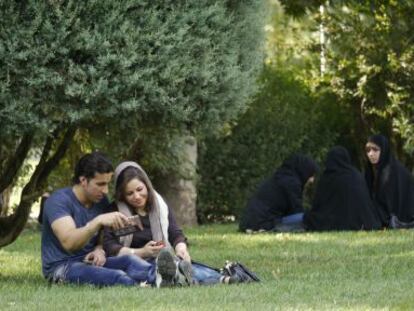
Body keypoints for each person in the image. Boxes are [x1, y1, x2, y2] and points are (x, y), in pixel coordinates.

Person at [103, 161, 238, 286]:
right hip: (134, 262)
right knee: (161, 268)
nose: (137, 196)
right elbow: (110, 246)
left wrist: (181, 248)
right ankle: (217, 279)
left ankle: (216, 278)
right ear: (122, 195)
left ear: (147, 186)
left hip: (161, 259)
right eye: (130, 193)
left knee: (181, 265)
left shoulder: (159, 206)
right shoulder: (115, 212)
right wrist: (142, 252)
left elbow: (174, 232)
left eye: (139, 189)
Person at [41, 151, 164, 286]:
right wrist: (97, 221)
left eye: (107, 184)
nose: (105, 191)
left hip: (91, 261)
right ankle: (141, 286)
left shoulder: (100, 201)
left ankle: (168, 276)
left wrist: (99, 249)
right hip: (61, 267)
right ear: (83, 181)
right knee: (116, 275)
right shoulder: (58, 201)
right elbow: (69, 243)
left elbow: (101, 237)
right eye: (100, 184)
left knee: (130, 261)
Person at [303, 146, 382, 231]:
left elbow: (319, 205)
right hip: (363, 221)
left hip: (334, 221)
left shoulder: (327, 178)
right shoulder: (356, 175)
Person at [239, 154, 318, 233]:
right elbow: (297, 211)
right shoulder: (292, 183)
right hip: (265, 223)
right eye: (310, 175)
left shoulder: (279, 179)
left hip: (251, 223)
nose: (311, 180)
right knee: (308, 218)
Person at [364, 134, 414, 228]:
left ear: (383, 150)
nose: (370, 154)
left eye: (375, 150)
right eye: (368, 150)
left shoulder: (391, 171)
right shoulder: (372, 170)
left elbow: (387, 204)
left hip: (399, 217)